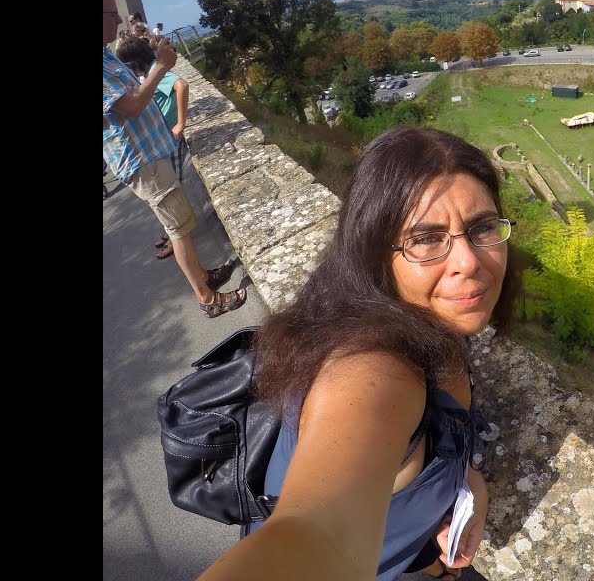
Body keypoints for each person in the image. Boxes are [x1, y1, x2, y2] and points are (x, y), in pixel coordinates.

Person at [198, 127, 520, 581]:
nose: (468, 260)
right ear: (375, 256)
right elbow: (315, 534)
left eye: (482, 227)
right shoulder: (374, 372)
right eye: (426, 239)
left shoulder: (422, 324)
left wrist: (462, 480)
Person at [103, 0, 246, 317]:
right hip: (142, 161)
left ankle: (204, 276)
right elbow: (135, 105)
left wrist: (154, 56)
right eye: (112, 13)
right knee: (178, 230)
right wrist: (162, 66)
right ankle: (208, 300)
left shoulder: (107, 55)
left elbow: (136, 90)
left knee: (181, 223)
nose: (120, 18)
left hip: (151, 153)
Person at [116, 35, 193, 259]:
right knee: (169, 194)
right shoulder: (150, 74)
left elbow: (182, 85)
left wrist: (180, 122)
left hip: (170, 139)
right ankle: (171, 232)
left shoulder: (155, 74)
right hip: (164, 140)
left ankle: (175, 238)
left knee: (171, 192)